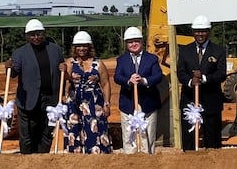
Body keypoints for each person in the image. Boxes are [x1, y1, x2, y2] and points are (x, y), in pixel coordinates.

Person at [5, 19, 66, 154]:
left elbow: (61, 72)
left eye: (38, 34)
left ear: (43, 33)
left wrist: (64, 69)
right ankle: (27, 162)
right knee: (28, 134)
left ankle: (42, 161)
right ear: (27, 36)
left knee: (47, 132)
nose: (36, 37)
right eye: (32, 35)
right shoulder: (20, 53)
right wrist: (9, 67)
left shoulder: (55, 50)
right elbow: (13, 73)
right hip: (29, 101)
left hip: (50, 99)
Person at [177, 15, 227, 150]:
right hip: (190, 102)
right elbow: (180, 72)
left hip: (211, 102)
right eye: (197, 31)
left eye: (203, 31)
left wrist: (204, 78)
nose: (200, 34)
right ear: (193, 32)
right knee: (189, 142)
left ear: (208, 31)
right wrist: (190, 81)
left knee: (213, 143)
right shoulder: (184, 51)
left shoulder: (219, 51)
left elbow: (221, 74)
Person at [114, 26, 163, 154]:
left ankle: (148, 160)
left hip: (148, 104)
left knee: (147, 135)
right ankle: (130, 162)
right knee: (129, 135)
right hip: (128, 104)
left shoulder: (151, 59)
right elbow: (117, 77)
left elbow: (158, 76)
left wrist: (144, 81)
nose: (133, 44)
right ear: (126, 44)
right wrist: (128, 81)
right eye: (130, 42)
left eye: (136, 41)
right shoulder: (121, 60)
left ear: (141, 42)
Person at [63, 31, 113, 154]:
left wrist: (107, 104)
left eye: (84, 46)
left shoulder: (98, 63)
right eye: (79, 46)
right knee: (75, 129)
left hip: (94, 102)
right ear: (74, 48)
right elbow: (66, 81)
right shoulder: (70, 63)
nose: (82, 49)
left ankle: (97, 157)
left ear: (89, 47)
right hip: (75, 102)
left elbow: (105, 84)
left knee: (95, 130)